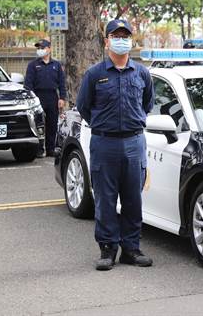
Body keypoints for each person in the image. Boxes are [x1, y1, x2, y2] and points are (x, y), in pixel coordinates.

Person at [76, 19, 155, 270]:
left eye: (125, 35)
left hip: (134, 143)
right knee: (105, 199)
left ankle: (131, 249)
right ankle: (108, 249)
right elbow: (83, 107)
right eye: (116, 35)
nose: (122, 40)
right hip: (104, 143)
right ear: (107, 41)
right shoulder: (95, 74)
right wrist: (105, 125)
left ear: (131, 40)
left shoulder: (142, 73)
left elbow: (147, 104)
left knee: (133, 199)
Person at [24, 39, 66, 157]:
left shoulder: (56, 65)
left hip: (52, 96)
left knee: (52, 124)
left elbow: (62, 83)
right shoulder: (33, 65)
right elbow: (28, 84)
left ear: (49, 49)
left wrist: (62, 98)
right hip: (38, 97)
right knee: (38, 124)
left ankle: (50, 148)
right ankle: (38, 148)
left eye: (42, 48)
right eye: (38, 48)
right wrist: (31, 99)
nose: (40, 50)